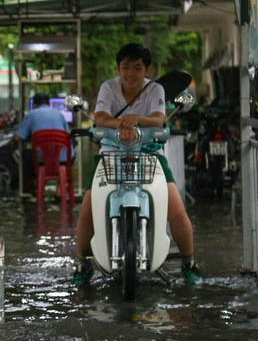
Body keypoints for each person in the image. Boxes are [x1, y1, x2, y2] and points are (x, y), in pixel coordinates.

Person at [73, 43, 204, 287]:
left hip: (150, 153)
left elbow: (158, 119)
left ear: (147, 69)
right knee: (87, 210)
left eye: (137, 67)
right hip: (110, 153)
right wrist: (124, 126)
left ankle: (189, 262)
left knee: (176, 210)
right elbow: (99, 117)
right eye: (125, 67)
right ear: (118, 68)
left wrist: (136, 120)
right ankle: (81, 264)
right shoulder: (108, 88)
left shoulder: (155, 89)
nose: (130, 73)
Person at [15, 92, 71, 164]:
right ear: (49, 104)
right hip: (64, 158)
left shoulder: (30, 115)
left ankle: (31, 175)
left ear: (34, 105)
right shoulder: (60, 114)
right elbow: (68, 134)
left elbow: (19, 137)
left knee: (24, 155)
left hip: (40, 160)